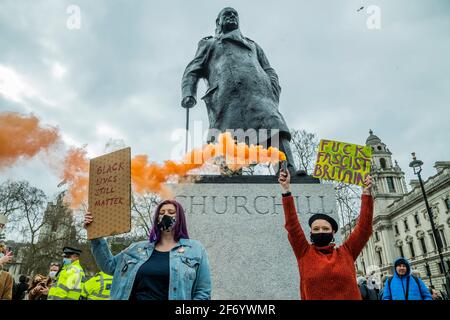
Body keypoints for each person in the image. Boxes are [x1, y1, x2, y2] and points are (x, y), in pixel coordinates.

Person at [181, 7, 297, 174]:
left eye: (235, 14)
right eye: (226, 14)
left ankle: (287, 170)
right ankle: (230, 175)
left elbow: (268, 69)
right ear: (218, 22)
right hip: (227, 102)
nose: (232, 16)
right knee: (228, 141)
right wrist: (188, 93)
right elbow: (192, 70)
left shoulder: (253, 45)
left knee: (275, 127)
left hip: (260, 98)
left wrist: (272, 88)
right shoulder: (209, 43)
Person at [84, 199, 211, 300]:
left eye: (171, 212)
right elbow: (109, 266)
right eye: (161, 213)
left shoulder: (195, 250)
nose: (166, 215)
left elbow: (203, 292)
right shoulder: (137, 249)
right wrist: (96, 234)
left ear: (180, 219)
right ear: (156, 219)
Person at [278, 168, 374, 299]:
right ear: (310, 232)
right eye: (316, 229)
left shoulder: (347, 252)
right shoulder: (304, 253)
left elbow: (364, 228)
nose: (321, 231)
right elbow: (292, 226)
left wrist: (366, 193)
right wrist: (286, 191)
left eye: (325, 228)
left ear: (333, 232)